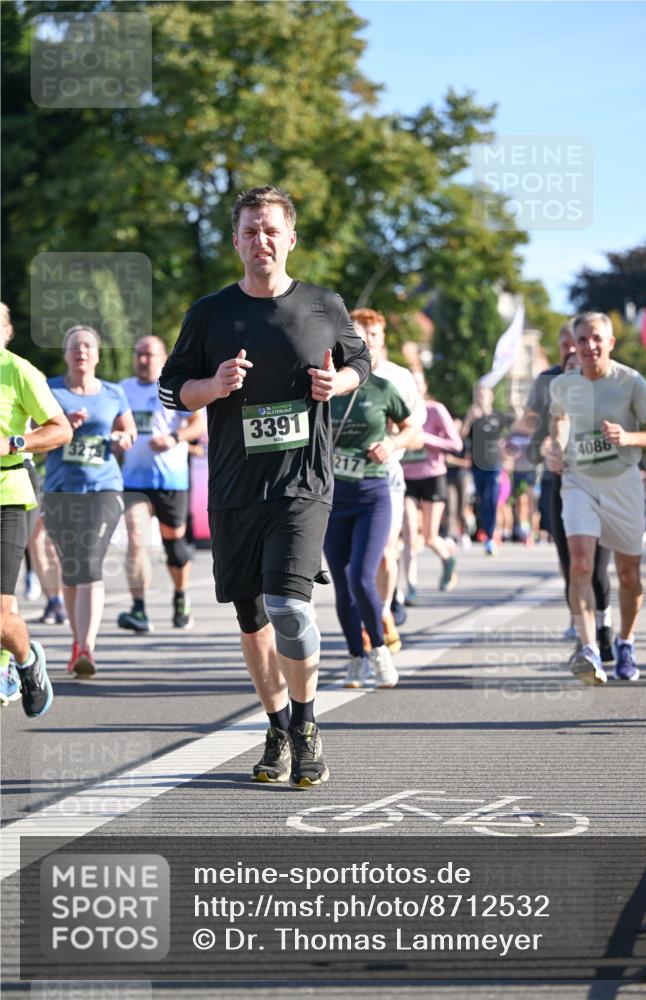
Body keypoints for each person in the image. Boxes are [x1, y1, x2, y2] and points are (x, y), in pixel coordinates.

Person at [158, 185, 370, 787]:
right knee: (252, 620)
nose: (261, 240)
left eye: (271, 230)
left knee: (289, 607)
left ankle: (306, 725)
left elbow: (361, 362)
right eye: (250, 231)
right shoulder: (209, 314)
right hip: (234, 488)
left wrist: (339, 383)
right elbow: (171, 390)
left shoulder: (324, 305)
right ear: (236, 241)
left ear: (290, 238)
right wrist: (214, 386)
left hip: (303, 482)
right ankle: (276, 726)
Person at [549, 311, 646, 685]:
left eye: (597, 338)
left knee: (629, 574)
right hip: (579, 481)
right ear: (574, 345)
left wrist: (628, 438)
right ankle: (589, 650)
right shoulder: (563, 385)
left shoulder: (631, 382)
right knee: (581, 562)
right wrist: (556, 447)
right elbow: (558, 420)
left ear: (611, 343)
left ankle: (625, 642)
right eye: (582, 340)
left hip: (622, 483)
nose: (589, 346)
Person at [324, 318, 419, 689]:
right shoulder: (324, 388)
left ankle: (378, 649)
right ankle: (355, 657)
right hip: (333, 498)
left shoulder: (382, 389)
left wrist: (391, 445)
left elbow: (412, 429)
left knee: (361, 576)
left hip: (372, 495)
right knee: (341, 584)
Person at [43, 326, 137, 677]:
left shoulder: (113, 393)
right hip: (60, 490)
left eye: (87, 346)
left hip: (103, 488)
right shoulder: (50, 390)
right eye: (74, 346)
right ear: (65, 354)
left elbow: (129, 430)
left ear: (97, 355)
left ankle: (87, 647)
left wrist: (122, 439)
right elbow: (34, 431)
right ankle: (76, 641)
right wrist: (63, 425)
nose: (81, 351)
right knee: (72, 568)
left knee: (89, 561)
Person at [516, 323, 614, 655]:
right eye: (567, 346)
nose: (574, 351)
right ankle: (581, 624)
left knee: (593, 564)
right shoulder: (547, 381)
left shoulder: (606, 380)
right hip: (556, 478)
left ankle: (603, 625)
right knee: (571, 559)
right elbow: (531, 420)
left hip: (600, 481)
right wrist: (539, 442)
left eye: (578, 344)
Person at [0, 301, 72, 715]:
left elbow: (61, 429)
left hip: (10, 494)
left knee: (1, 614)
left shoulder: (20, 371)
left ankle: (26, 662)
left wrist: (15, 442)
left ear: (7, 332)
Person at [348, 308, 426, 645]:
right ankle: (367, 615)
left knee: (382, 551)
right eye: (360, 334)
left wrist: (391, 440)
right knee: (350, 560)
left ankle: (380, 616)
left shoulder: (399, 378)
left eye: (374, 335)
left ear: (382, 339)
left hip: (385, 474)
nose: (367, 341)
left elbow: (417, 435)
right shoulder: (339, 375)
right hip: (343, 476)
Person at [118, 336, 205, 633]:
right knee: (135, 539)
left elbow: (198, 423)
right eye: (139, 354)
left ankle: (180, 596)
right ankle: (139, 609)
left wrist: (173, 438)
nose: (143, 359)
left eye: (150, 354)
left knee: (175, 548)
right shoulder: (123, 390)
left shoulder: (172, 387)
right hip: (134, 481)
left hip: (171, 479)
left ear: (164, 358)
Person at [402, 370, 462, 599]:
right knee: (409, 532)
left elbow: (456, 444)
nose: (415, 388)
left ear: (424, 386)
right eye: (410, 383)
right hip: (407, 478)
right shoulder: (399, 410)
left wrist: (424, 439)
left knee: (429, 537)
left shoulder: (435, 410)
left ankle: (448, 559)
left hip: (432, 476)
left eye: (418, 383)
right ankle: (411, 587)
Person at [460, 383, 512, 555]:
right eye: (477, 396)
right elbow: (460, 438)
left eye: (483, 395)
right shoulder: (473, 416)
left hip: (494, 466)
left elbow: (514, 430)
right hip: (477, 466)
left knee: (492, 500)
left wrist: (508, 454)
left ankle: (491, 536)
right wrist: (469, 419)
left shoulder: (498, 416)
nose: (480, 399)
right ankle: (487, 533)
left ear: (491, 397)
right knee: (482, 501)